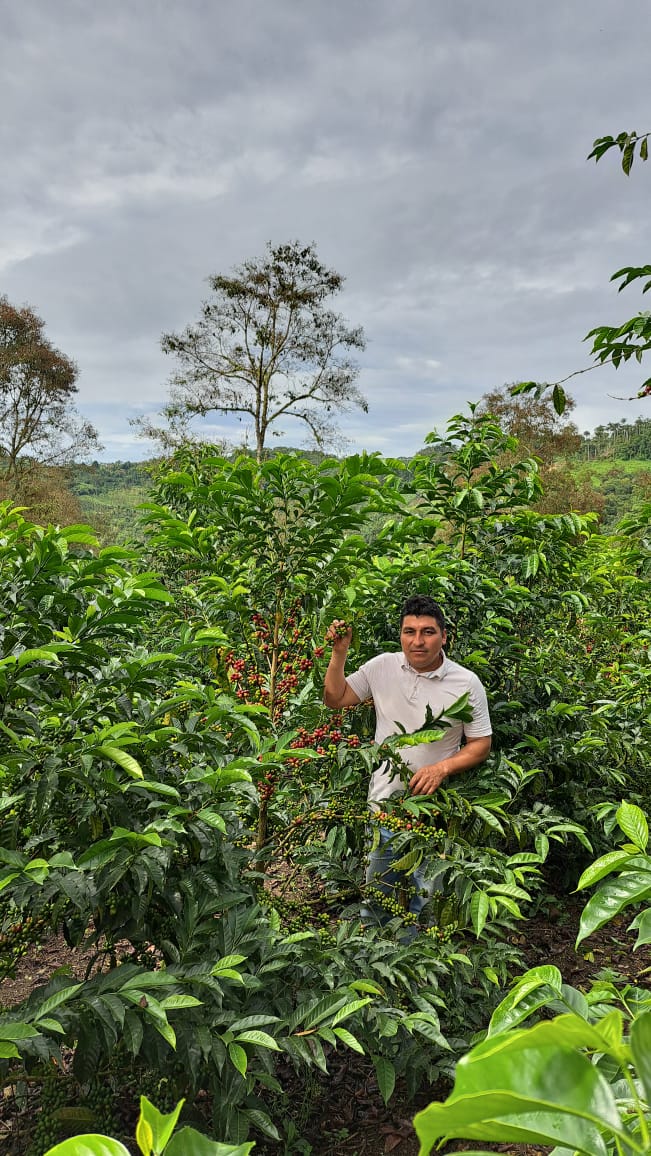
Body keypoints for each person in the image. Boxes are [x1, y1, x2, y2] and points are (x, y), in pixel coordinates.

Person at [323, 594, 492, 928]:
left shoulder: (466, 683)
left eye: (428, 632)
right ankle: (373, 961)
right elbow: (335, 698)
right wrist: (338, 652)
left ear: (444, 636)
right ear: (400, 634)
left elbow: (481, 743)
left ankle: (420, 968)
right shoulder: (382, 667)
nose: (418, 641)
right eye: (409, 631)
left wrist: (441, 768)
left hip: (431, 813)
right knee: (378, 893)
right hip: (384, 804)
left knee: (426, 898)